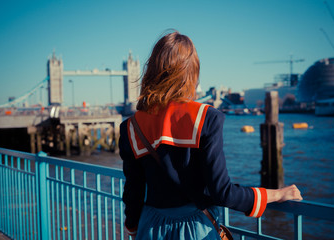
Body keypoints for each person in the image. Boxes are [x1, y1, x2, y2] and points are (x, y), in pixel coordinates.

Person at [119, 30, 303, 239]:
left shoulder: (131, 128)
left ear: (152, 70)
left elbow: (133, 192)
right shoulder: (206, 118)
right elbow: (222, 192)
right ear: (191, 73)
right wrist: (277, 194)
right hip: (194, 229)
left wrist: (133, 228)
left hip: (151, 227)